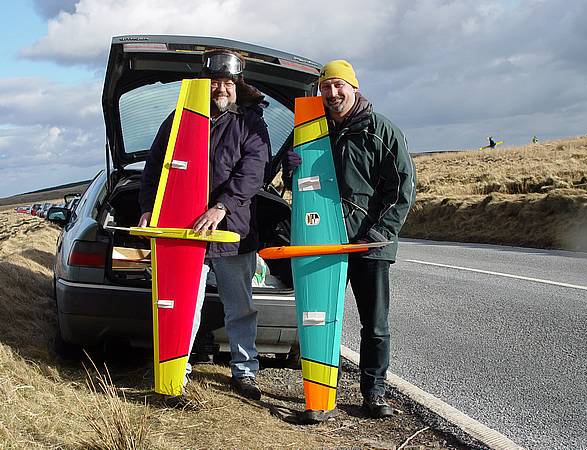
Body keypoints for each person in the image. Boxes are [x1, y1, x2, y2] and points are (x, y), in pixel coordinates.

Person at [283, 60, 416, 419]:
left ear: (354, 88)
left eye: (339, 85)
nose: (332, 93)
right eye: (326, 87)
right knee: (322, 317)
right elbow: (292, 181)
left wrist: (379, 234)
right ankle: (321, 397)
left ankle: (374, 394)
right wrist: (291, 167)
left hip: (369, 244)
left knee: (375, 324)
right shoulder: (312, 129)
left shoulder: (381, 130)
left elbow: (402, 189)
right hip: (325, 241)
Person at [138, 50, 270, 401]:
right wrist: (151, 209)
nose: (221, 89)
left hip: (233, 231)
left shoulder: (250, 123)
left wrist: (221, 207)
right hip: (185, 232)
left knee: (239, 306)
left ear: (238, 86)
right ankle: (175, 372)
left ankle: (245, 372)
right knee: (183, 304)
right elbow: (155, 167)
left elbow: (253, 171)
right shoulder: (180, 117)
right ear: (204, 84)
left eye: (228, 83)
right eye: (215, 82)